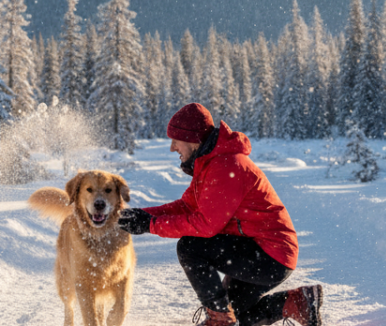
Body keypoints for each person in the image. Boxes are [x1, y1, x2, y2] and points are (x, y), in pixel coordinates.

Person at [118, 103, 323, 326]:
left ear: (192, 139)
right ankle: (297, 303)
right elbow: (187, 206)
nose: (172, 147)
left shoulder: (226, 166)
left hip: (270, 255)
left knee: (190, 247)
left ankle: (219, 320)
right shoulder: (211, 163)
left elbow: (205, 225)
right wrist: (142, 215)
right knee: (239, 316)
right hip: (261, 250)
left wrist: (151, 225)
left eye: (176, 140)